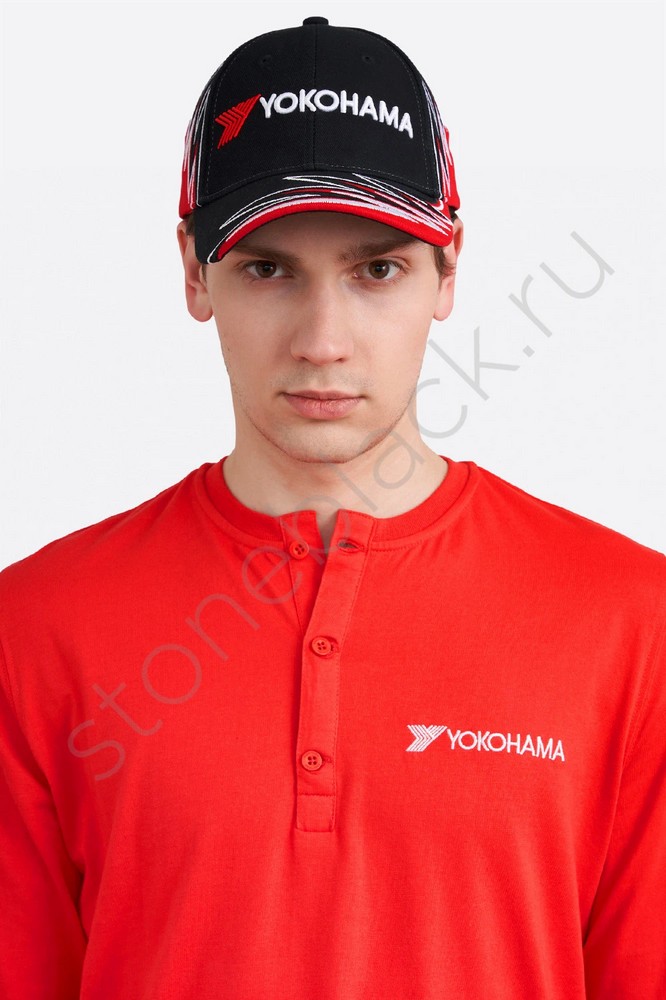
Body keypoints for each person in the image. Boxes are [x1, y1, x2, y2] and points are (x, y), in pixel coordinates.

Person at [0, 15, 664, 999]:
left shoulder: (633, 623)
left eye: (376, 269)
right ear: (193, 270)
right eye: (269, 268)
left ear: (449, 269)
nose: (322, 339)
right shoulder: (35, 627)